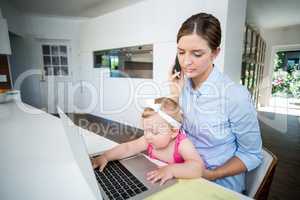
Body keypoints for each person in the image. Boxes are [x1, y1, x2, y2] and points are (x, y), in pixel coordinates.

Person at [169, 13, 263, 193]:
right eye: (181, 52)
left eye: (197, 54)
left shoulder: (235, 96)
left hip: (217, 184)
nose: (186, 62)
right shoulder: (183, 86)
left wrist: (212, 174)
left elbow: (252, 154)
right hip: (184, 173)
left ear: (215, 53)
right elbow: (174, 131)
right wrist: (174, 95)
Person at [92, 97, 204, 185]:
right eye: (145, 130)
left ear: (174, 132)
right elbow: (128, 148)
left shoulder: (182, 144)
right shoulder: (148, 140)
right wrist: (106, 156)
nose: (148, 136)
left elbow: (198, 167)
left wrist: (172, 170)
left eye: (154, 132)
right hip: (156, 181)